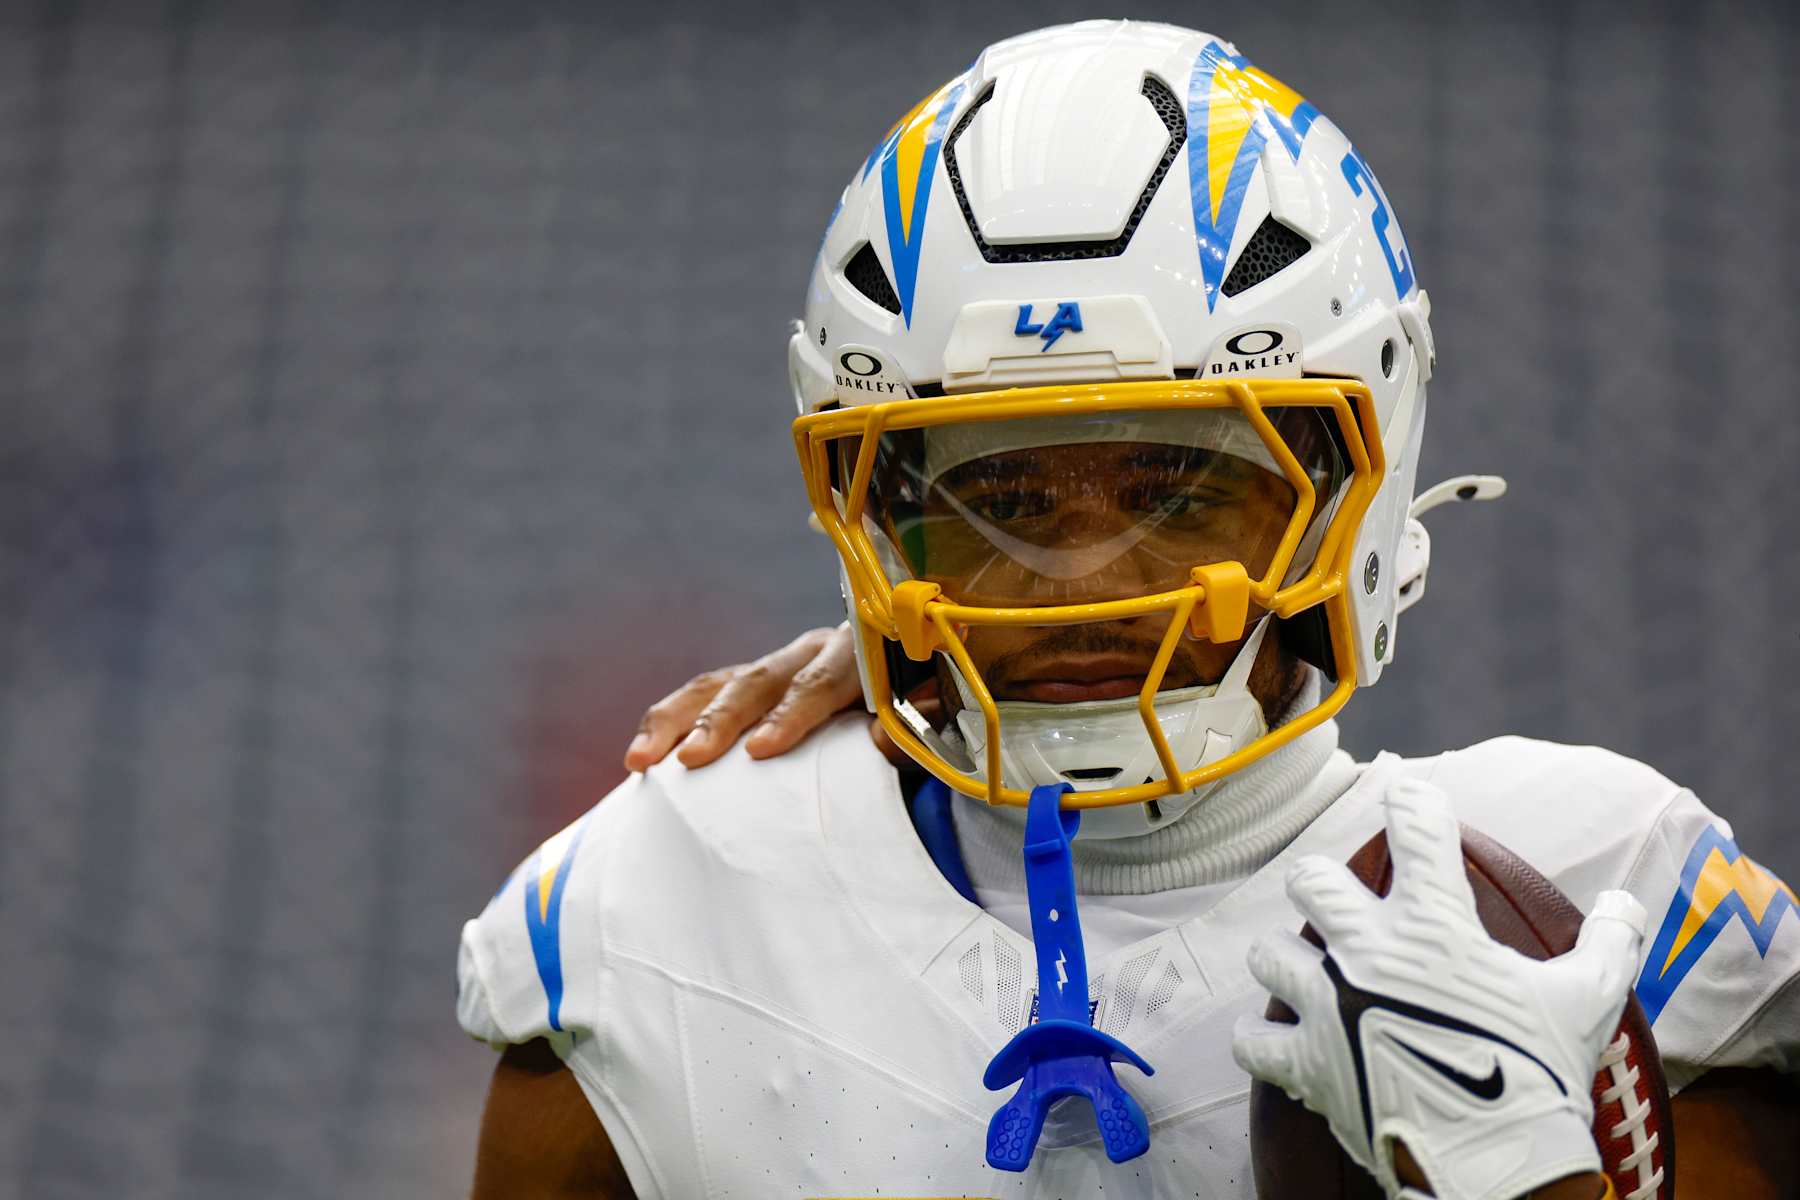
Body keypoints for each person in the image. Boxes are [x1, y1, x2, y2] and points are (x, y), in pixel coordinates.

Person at [458, 20, 1800, 1199]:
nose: (1085, 580)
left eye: (1176, 483)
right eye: (1005, 505)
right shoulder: (672, 902)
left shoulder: (1598, 894)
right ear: (877, 512)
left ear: (1354, 479)